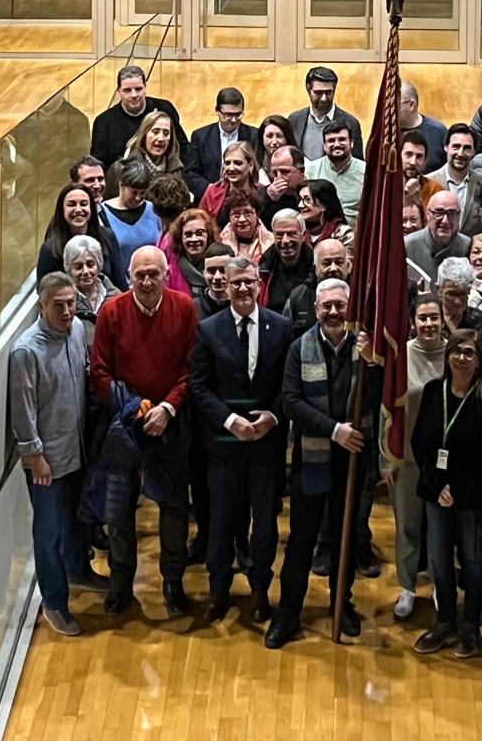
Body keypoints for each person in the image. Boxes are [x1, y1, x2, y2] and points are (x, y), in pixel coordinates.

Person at [265, 279, 379, 648]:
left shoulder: (365, 351)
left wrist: (374, 363)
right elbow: (291, 402)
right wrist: (334, 430)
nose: (333, 312)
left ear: (350, 309)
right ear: (315, 310)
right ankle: (288, 614)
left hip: (352, 461)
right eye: (326, 306)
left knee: (345, 537)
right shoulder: (300, 348)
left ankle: (340, 604)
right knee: (301, 542)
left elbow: (378, 399)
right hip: (311, 461)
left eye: (340, 306)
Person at [89, 246, 199, 616]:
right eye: (140, 275)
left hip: (171, 425)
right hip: (124, 428)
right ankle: (121, 582)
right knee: (119, 512)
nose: (148, 281)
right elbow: (99, 371)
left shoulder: (184, 308)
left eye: (154, 274)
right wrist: (134, 409)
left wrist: (167, 407)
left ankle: (172, 581)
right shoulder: (112, 311)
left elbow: (191, 368)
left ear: (167, 275)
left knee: (173, 508)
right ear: (129, 278)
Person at [190, 256, 293, 622]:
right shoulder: (208, 329)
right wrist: (230, 420)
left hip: (266, 445)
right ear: (226, 286)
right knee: (220, 522)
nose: (244, 288)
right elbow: (199, 387)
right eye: (237, 283)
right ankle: (218, 591)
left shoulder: (281, 328)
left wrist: (274, 416)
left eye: (250, 282)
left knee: (264, 524)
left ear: (259, 284)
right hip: (223, 446)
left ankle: (260, 590)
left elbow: (289, 385)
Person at [9, 272, 98, 637]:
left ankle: (80, 571)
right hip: (48, 462)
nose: (66, 311)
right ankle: (54, 603)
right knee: (48, 534)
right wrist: (35, 457)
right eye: (57, 305)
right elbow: (23, 409)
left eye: (70, 302)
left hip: (77, 449)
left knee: (77, 522)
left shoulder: (77, 329)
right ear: (41, 306)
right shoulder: (26, 351)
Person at [410, 328, 482, 658]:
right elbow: (420, 442)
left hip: (471, 497)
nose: (462, 358)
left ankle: (470, 627)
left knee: (473, 560)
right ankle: (444, 622)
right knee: (439, 559)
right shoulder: (434, 391)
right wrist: (439, 486)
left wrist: (459, 491)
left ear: (480, 360)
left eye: (470, 353)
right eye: (457, 351)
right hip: (436, 493)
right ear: (447, 355)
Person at [388, 291, 446, 621]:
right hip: (408, 456)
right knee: (408, 525)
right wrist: (387, 458)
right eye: (422, 318)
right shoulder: (401, 356)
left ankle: (441, 585)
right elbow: (389, 412)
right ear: (412, 322)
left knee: (440, 527)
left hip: (444, 459)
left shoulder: (457, 353)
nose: (428, 324)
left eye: (433, 317)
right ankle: (407, 586)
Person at [90, 64, 187, 171]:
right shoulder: (104, 122)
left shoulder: (165, 109)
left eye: (138, 89)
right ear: (118, 91)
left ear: (145, 87)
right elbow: (99, 164)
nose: (134, 95)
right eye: (127, 90)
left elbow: (183, 148)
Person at [182, 87, 260, 203]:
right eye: (228, 115)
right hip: (209, 201)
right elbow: (190, 173)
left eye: (238, 114)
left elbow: (259, 170)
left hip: (246, 201)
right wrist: (212, 191)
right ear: (217, 111)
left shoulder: (254, 135)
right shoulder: (200, 136)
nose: (233, 120)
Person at [68, 156, 127, 288]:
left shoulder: (103, 213)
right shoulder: (61, 226)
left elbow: (117, 274)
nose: (97, 185)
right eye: (90, 180)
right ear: (75, 185)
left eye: (100, 179)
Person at [37, 183, 114, 283]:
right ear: (62, 210)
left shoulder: (107, 236)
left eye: (84, 204)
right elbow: (45, 292)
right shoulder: (49, 249)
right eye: (71, 204)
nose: (78, 209)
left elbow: (119, 281)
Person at [100, 158, 162, 277]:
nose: (138, 198)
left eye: (142, 193)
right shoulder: (103, 213)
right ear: (121, 185)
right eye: (134, 192)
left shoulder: (153, 209)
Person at [287, 67, 365, 162]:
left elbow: (357, 165)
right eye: (318, 93)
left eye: (328, 92)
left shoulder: (350, 122)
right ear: (308, 90)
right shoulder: (294, 120)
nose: (324, 98)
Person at [105, 109, 183, 198]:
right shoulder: (121, 168)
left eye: (166, 133)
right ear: (144, 134)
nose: (161, 138)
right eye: (155, 132)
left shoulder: (176, 170)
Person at [283, 237, 349, 337]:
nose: (333, 268)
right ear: (315, 268)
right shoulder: (298, 297)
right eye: (326, 263)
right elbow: (285, 336)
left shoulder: (360, 298)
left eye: (339, 262)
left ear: (347, 266)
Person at [435, 257, 482, 365]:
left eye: (463, 294)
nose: (458, 301)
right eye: (452, 294)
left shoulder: (480, 320)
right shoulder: (430, 319)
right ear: (439, 290)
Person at [305, 120, 366, 226]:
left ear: (351, 143)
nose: (336, 144)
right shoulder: (311, 170)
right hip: (322, 236)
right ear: (324, 145)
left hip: (356, 236)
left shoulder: (366, 172)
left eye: (342, 139)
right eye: (331, 140)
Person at [404, 191, 471, 288]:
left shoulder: (468, 246)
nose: (445, 221)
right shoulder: (407, 245)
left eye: (452, 213)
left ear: (459, 216)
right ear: (427, 214)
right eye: (439, 213)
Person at [425, 124, 481, 233]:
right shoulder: (427, 183)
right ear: (446, 147)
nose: (460, 153)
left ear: (474, 152)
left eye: (467, 148)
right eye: (456, 146)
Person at [63, 234, 119, 339]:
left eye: (90, 264)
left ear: (98, 265)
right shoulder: (64, 305)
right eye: (78, 267)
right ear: (69, 270)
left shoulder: (117, 297)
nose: (85, 272)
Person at [159, 206, 219, 300]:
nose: (194, 239)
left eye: (199, 233)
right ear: (180, 237)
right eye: (188, 234)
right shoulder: (169, 274)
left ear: (209, 235)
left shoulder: (220, 269)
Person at [259, 208, 314, 310]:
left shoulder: (315, 265)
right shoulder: (264, 266)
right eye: (279, 235)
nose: (285, 240)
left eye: (291, 234)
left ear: (303, 235)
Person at [202, 140, 264, 228]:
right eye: (227, 163)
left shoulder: (261, 192)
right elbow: (201, 223)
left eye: (237, 163)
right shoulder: (212, 192)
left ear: (250, 164)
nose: (231, 168)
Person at [398, 82, 446, 172]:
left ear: (411, 105)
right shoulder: (383, 133)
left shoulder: (438, 132)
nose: (388, 110)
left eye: (395, 104)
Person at [220, 194, 275, 263]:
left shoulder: (272, 241)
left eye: (248, 214)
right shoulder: (220, 241)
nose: (242, 219)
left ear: (257, 215)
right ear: (229, 218)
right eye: (236, 215)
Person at [298, 178, 349, 247]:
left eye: (307, 200)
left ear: (323, 205)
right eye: (300, 200)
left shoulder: (343, 233)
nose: (300, 205)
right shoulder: (298, 231)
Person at [401, 129, 440, 218]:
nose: (413, 162)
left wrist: (418, 203)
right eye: (409, 154)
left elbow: (435, 227)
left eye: (419, 156)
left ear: (425, 162)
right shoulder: (384, 189)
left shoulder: (435, 191)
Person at [262, 143, 307, 218]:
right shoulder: (262, 195)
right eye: (275, 173)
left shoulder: (315, 192)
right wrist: (270, 201)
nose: (279, 177)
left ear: (301, 171)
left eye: (284, 172)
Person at [196, 242, 234, 321]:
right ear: (203, 273)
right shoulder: (193, 307)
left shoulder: (244, 306)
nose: (217, 277)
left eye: (223, 270)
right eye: (211, 270)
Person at [254, 115, 295, 183]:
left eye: (279, 136)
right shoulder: (253, 165)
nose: (274, 142)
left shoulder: (300, 163)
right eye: (269, 136)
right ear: (262, 138)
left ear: (287, 138)